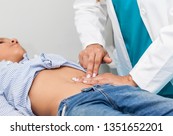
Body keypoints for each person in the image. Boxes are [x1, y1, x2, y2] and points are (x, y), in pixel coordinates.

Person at [1, 37, 173, 116]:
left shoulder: (40, 59)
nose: (14, 40)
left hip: (115, 90)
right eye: (1, 41)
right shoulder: (4, 78)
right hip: (75, 106)